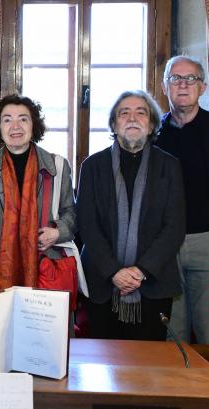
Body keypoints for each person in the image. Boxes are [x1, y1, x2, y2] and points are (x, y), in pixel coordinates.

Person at [77, 90, 185, 341]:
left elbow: (174, 227)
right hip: (103, 284)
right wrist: (114, 271)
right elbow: (88, 225)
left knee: (149, 370)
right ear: (114, 124)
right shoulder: (92, 166)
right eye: (124, 113)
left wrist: (141, 271)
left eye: (141, 112)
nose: (132, 118)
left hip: (153, 285)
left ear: (151, 126)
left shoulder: (169, 166)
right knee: (103, 366)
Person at [154, 55, 209, 344]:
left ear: (202, 87)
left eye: (190, 78)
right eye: (175, 78)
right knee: (173, 331)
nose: (182, 84)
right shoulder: (154, 134)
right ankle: (176, 388)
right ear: (165, 87)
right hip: (166, 244)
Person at [0, 94, 77, 293]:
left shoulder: (57, 166)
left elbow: (72, 213)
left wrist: (59, 232)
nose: (15, 126)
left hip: (46, 269)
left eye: (23, 119)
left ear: (34, 125)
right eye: (7, 120)